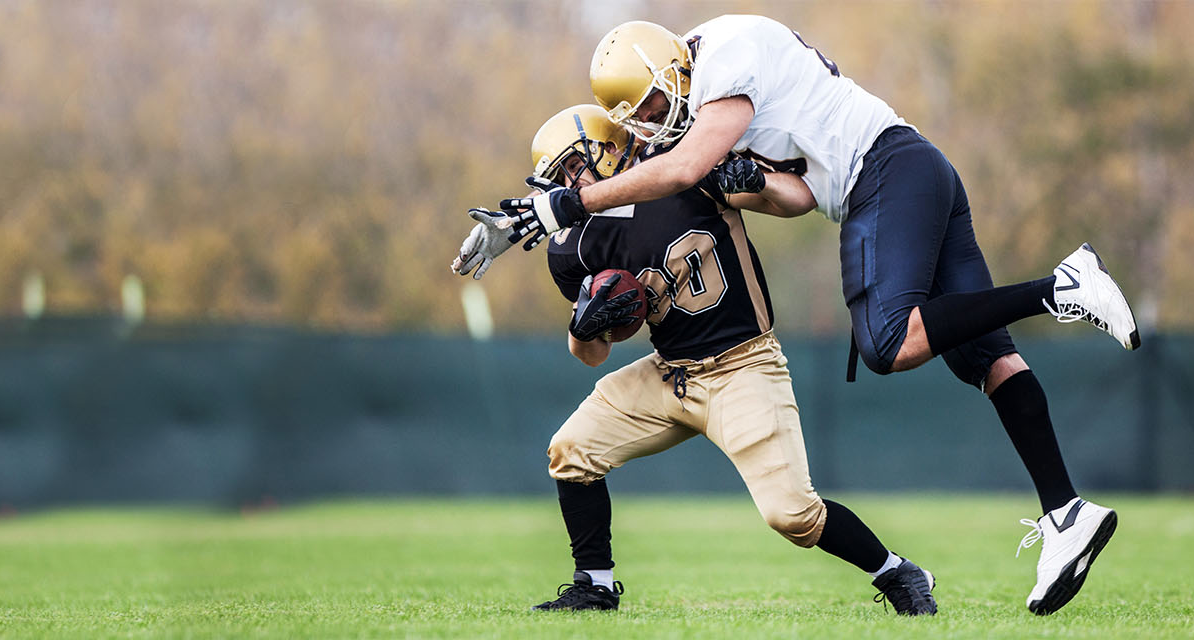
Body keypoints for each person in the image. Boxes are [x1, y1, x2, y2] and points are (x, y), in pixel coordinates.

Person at [490, 17, 1138, 616]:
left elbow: (691, 167)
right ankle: (1065, 512)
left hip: (871, 185)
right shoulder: (678, 128)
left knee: (887, 345)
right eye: (642, 115)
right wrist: (585, 319)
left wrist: (570, 204)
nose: (655, 121)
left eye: (655, 105)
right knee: (987, 358)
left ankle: (1060, 287)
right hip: (893, 183)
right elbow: (782, 186)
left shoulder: (718, 70)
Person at [453, 104, 938, 615]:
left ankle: (897, 572)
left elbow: (797, 200)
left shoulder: (681, 169)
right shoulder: (571, 246)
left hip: (743, 365)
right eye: (557, 178)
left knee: (792, 515)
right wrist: (583, 326)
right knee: (571, 449)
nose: (567, 185)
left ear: (610, 147)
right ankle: (595, 585)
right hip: (669, 372)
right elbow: (592, 355)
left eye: (574, 167)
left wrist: (760, 180)